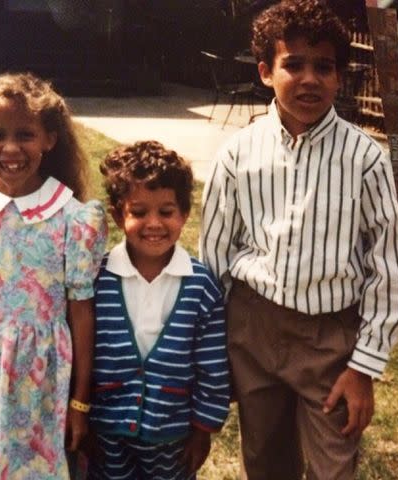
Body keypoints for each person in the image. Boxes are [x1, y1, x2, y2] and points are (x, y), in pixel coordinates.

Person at [200, 1, 398, 479]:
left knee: (334, 465)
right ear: (266, 72)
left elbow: (389, 271)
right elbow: (214, 258)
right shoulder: (237, 153)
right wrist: (214, 351)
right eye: (293, 64)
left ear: (339, 77)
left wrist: (363, 368)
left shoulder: (364, 159)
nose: (310, 78)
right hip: (253, 328)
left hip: (330, 341)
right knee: (265, 459)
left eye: (324, 67)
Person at [0, 72, 107, 478]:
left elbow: (82, 315)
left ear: (49, 139)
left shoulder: (72, 218)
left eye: (25, 135)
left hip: (40, 387)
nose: (11, 148)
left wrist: (79, 402)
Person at [84, 140, 230, 479]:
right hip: (106, 431)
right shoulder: (96, 278)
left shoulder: (200, 285)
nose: (154, 223)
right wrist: (83, 415)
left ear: (184, 214)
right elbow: (84, 355)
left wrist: (202, 429)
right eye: (139, 212)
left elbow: (212, 366)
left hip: (173, 434)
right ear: (119, 215)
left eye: (166, 212)